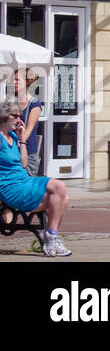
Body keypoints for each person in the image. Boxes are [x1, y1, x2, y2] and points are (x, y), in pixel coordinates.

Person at [0, 99, 70, 256]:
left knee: (62, 198)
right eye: (15, 116)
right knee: (59, 188)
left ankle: (51, 237)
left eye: (20, 116)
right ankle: (51, 238)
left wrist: (22, 139)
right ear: (4, 116)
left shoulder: (12, 136)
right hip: (9, 186)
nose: (19, 120)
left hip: (23, 180)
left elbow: (23, 163)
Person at [15, 68, 42, 177]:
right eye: (13, 79)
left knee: (26, 183)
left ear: (27, 82)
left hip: (28, 151)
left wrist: (21, 141)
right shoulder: (12, 101)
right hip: (12, 150)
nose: (14, 82)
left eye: (17, 80)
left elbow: (29, 128)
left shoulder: (34, 103)